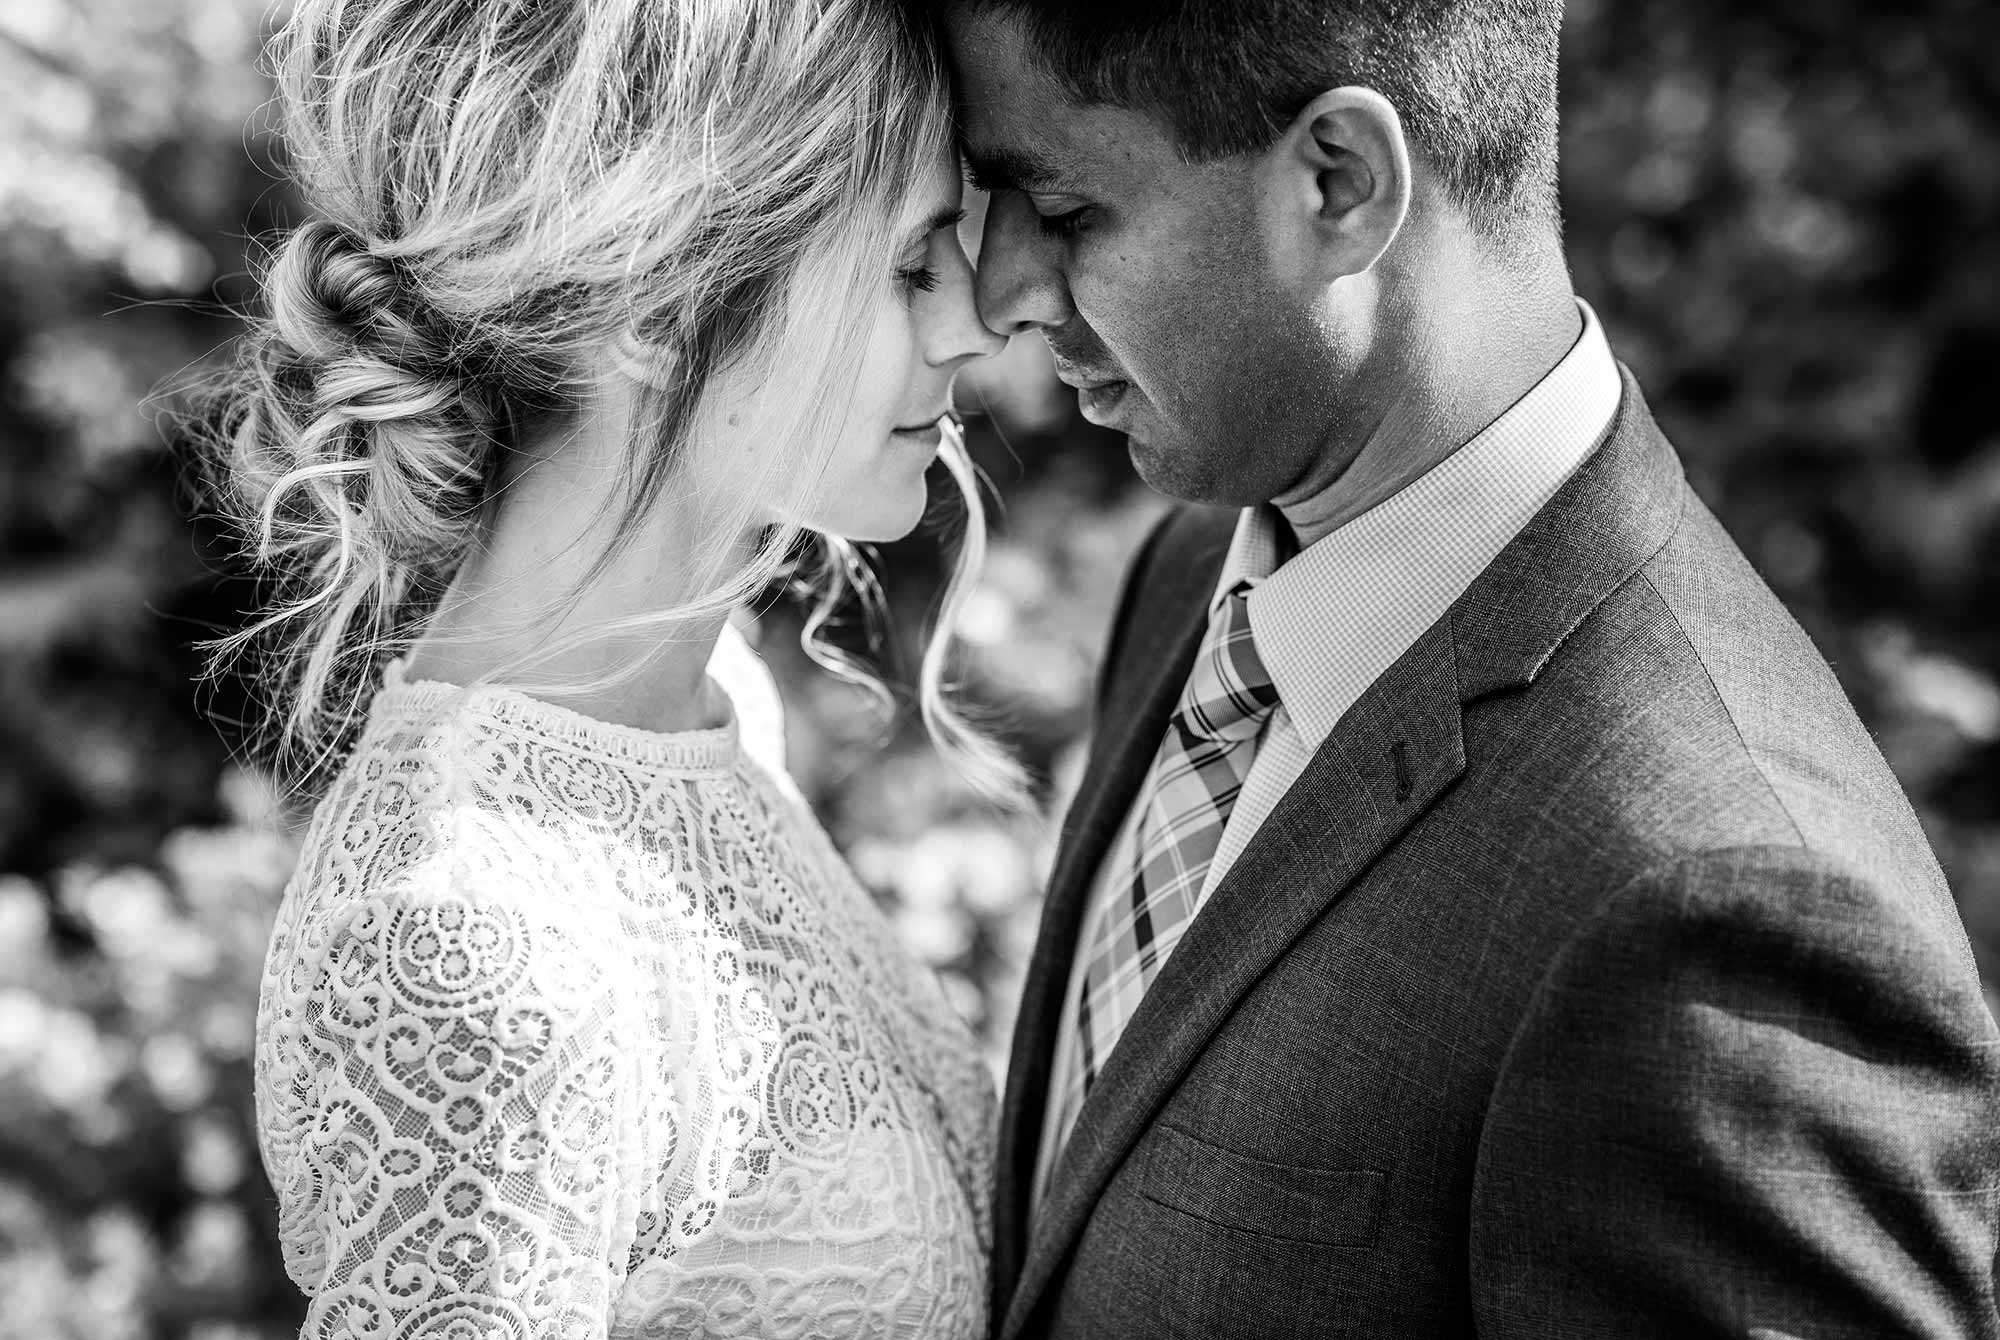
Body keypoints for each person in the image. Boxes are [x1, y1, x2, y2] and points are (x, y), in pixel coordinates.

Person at [937, 2, 2000, 1336]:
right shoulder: (1193, 577)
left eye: (1068, 210)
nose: (1005, 292)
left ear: (1341, 183)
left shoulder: (1716, 906)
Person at [195, 1, 1009, 1335]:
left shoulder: (720, 707)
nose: (975, 326)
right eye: (912, 266)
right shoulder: (468, 938)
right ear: (657, 291)